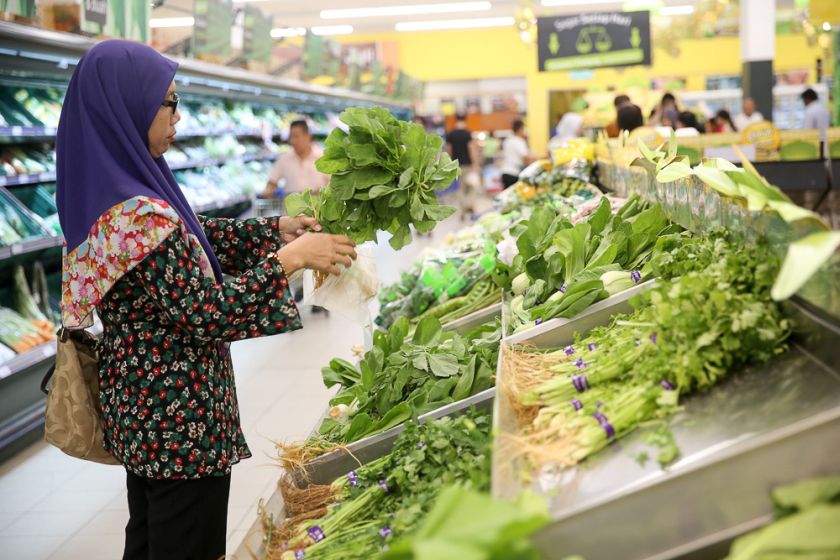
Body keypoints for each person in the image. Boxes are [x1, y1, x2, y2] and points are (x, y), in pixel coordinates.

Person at [55, 41, 357, 560]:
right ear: (129, 106)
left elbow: (188, 237)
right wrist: (288, 261)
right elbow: (206, 311)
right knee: (184, 541)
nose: (177, 115)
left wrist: (275, 231)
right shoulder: (136, 213)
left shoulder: (112, 192)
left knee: (151, 536)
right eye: (168, 101)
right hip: (177, 420)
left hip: (142, 409)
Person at [261, 120, 330, 199]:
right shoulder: (284, 159)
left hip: (318, 205)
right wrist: (268, 191)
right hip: (290, 206)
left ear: (308, 136)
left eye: (296, 136)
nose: (292, 141)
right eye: (291, 137)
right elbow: (272, 182)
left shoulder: (323, 157)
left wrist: (323, 191)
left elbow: (333, 183)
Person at [445, 114, 482, 218]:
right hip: (467, 164)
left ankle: (463, 209)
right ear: (465, 121)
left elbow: (448, 151)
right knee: (472, 185)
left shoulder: (451, 134)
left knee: (460, 188)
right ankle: (469, 204)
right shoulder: (467, 134)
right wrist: (475, 164)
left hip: (456, 165)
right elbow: (471, 150)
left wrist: (449, 164)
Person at [500, 119, 535, 189]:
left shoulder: (507, 140)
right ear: (520, 129)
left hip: (505, 172)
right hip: (514, 173)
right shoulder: (519, 141)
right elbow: (525, 158)